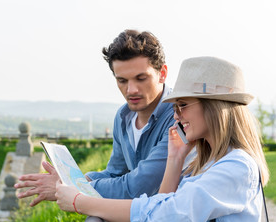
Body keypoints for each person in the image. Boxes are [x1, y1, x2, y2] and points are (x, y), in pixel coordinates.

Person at [55, 56, 270, 222]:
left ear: (215, 108)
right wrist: (175, 159)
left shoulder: (238, 166)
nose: (176, 115)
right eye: (175, 107)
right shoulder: (205, 164)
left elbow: (165, 216)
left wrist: (81, 202)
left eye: (183, 105)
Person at [15, 29, 192, 205]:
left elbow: (139, 187)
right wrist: (72, 182)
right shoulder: (123, 117)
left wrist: (73, 188)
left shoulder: (181, 116)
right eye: (122, 80)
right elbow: (115, 173)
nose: (131, 90)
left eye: (141, 78)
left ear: (162, 73)